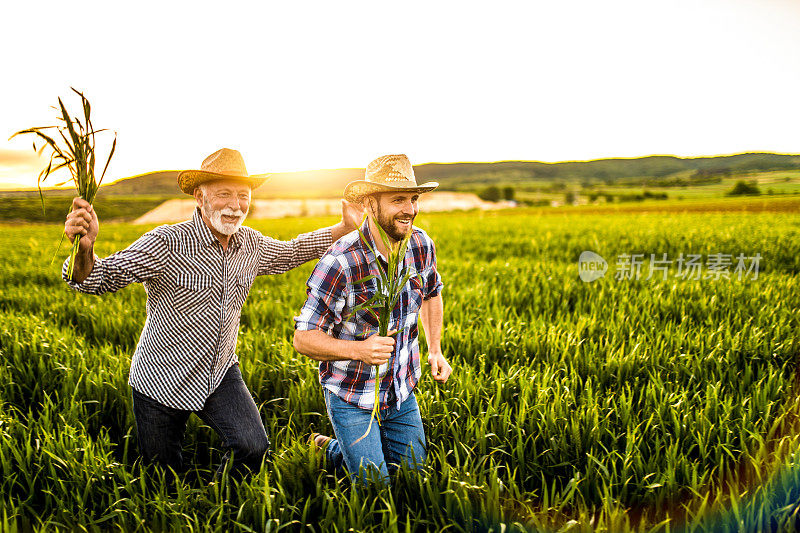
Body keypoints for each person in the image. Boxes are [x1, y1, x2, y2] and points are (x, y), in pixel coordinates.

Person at [62, 148, 362, 479]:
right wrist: (86, 250)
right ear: (199, 196)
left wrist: (344, 228)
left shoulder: (251, 245)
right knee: (162, 476)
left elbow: (290, 252)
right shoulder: (167, 243)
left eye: (242, 195)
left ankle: (217, 500)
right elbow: (100, 278)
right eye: (224, 194)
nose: (235, 205)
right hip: (160, 381)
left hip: (219, 373)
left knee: (252, 448)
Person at [293, 153, 452, 485]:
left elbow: (432, 292)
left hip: (401, 391)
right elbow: (303, 338)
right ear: (369, 202)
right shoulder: (341, 261)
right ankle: (333, 451)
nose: (409, 208)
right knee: (375, 488)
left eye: (413, 198)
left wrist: (435, 349)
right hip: (352, 394)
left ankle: (342, 450)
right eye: (398, 199)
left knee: (412, 480)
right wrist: (359, 350)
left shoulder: (421, 245)